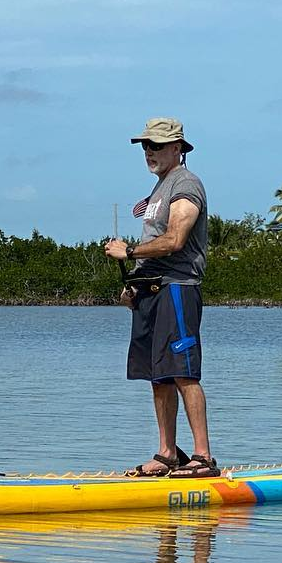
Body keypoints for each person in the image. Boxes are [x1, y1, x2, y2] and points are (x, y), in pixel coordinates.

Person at [105, 117, 218, 478]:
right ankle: (167, 454)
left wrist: (130, 252)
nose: (149, 152)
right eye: (145, 146)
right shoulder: (159, 189)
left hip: (178, 288)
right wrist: (134, 284)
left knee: (183, 373)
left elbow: (174, 240)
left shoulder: (186, 185)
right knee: (159, 377)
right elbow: (157, 245)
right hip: (151, 290)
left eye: (156, 145)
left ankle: (202, 457)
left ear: (178, 148)